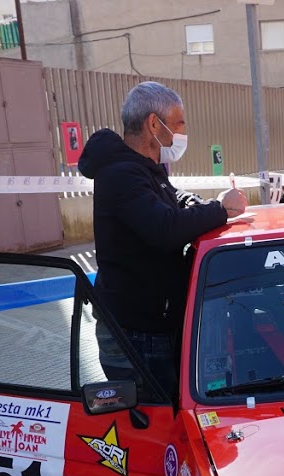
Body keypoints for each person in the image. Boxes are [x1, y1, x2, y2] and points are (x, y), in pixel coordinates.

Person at [79, 81, 246, 395]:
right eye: (179, 123)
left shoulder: (144, 169)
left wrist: (200, 205)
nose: (183, 131)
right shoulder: (122, 174)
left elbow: (171, 197)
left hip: (149, 326)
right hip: (136, 333)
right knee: (155, 423)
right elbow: (163, 228)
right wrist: (220, 209)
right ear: (153, 124)